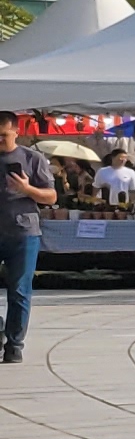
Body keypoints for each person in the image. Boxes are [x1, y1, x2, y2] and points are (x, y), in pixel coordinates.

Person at [0, 112, 56, 364]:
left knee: (20, 290)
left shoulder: (32, 159)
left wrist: (26, 189)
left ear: (16, 132)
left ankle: (14, 344)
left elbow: (51, 197)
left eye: (3, 136)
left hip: (23, 233)